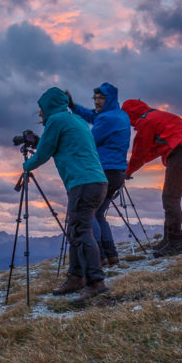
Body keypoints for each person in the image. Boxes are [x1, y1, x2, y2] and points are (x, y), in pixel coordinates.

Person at [22, 87, 110, 301]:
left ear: (48, 106)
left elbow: (43, 153)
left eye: (41, 109)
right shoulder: (76, 120)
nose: (40, 113)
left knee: (81, 231)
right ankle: (76, 277)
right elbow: (59, 144)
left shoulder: (56, 121)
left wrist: (27, 165)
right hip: (97, 181)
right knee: (76, 230)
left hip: (82, 183)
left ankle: (96, 282)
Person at [121, 99, 182, 257]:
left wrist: (127, 171)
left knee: (170, 198)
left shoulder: (146, 121)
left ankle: (175, 243)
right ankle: (168, 240)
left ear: (130, 114)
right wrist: (131, 169)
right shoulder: (161, 117)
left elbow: (141, 152)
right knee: (172, 197)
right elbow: (153, 151)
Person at [71, 82, 131, 266]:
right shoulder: (118, 115)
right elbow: (93, 116)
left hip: (103, 170)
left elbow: (89, 140)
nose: (97, 101)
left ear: (109, 98)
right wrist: (74, 107)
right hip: (117, 172)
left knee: (89, 213)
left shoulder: (106, 119)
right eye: (95, 98)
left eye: (101, 98)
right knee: (98, 213)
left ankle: (97, 256)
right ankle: (110, 255)